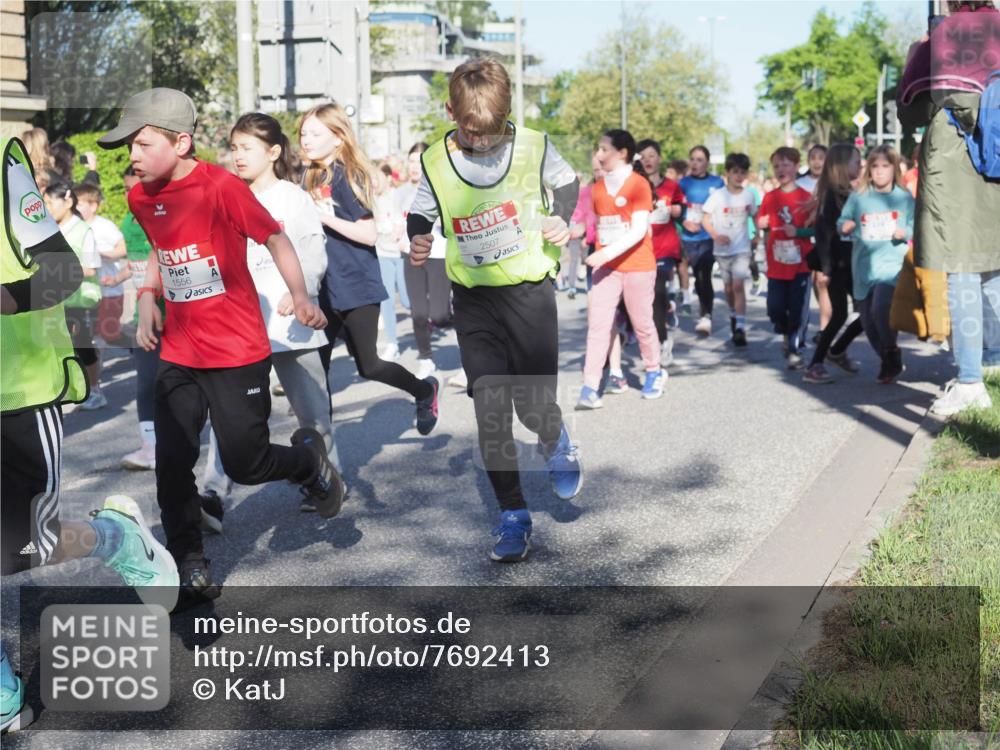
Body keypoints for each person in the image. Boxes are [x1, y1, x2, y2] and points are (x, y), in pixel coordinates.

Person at [98, 87, 342, 609]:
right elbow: (164, 251)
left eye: (142, 144)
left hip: (236, 351)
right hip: (181, 352)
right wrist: (146, 296)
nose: (133, 157)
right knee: (172, 461)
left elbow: (275, 238)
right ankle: (189, 563)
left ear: (181, 143)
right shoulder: (141, 197)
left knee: (246, 464)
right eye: (129, 148)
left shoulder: (222, 188)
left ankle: (306, 462)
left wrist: (300, 297)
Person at [1, 136, 177, 732]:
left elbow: (58, 274)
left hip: (15, 392)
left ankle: (118, 538)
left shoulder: (4, 162)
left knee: (25, 545)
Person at [407, 58, 582, 563]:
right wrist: (417, 234)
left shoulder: (533, 144)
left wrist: (560, 218)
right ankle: (513, 516)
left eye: (491, 131)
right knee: (490, 410)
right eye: (470, 131)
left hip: (528, 291)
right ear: (450, 112)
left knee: (531, 405)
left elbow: (568, 183)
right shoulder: (436, 159)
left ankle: (555, 437)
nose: (481, 141)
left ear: (508, 114)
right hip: (475, 297)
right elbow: (422, 207)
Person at [198, 112, 344, 527]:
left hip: (292, 322)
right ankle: (214, 493)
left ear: (273, 152)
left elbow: (313, 254)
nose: (238, 156)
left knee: (312, 413)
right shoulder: (224, 194)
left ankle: (327, 480)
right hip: (241, 327)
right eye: (234, 147)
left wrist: (297, 292)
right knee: (230, 415)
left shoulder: (292, 198)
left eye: (247, 148)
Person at [299, 104, 441, 430]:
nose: (306, 139)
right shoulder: (307, 176)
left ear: (337, 138)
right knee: (315, 372)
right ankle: (322, 456)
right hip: (320, 288)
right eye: (303, 133)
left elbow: (367, 233)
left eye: (315, 133)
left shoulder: (347, 176)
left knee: (369, 366)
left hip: (355, 285)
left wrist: (320, 215)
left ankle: (424, 389)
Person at [898, 0, 1000, 415]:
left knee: (962, 269)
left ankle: (972, 380)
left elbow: (913, 110)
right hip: (997, 157)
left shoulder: (942, 34)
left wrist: (913, 55)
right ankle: (993, 358)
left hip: (955, 158)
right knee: (994, 265)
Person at [578, 129, 665, 407]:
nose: (598, 155)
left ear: (623, 153)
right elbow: (589, 224)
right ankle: (590, 386)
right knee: (598, 326)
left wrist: (605, 255)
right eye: (598, 149)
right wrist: (566, 231)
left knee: (642, 324)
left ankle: (654, 371)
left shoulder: (638, 184)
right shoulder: (598, 189)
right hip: (607, 268)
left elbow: (639, 231)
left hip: (637, 265)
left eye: (604, 149)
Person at [837, 145, 915, 383]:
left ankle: (890, 350)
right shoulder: (859, 197)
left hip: (892, 265)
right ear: (868, 170)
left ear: (894, 169)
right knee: (868, 322)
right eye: (875, 166)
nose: (880, 171)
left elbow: (917, 225)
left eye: (885, 166)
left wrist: (906, 231)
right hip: (863, 266)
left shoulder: (903, 198)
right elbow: (843, 220)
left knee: (881, 307)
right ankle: (888, 357)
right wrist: (845, 225)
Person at [803, 144, 866, 384]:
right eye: (855, 162)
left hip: (851, 264)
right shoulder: (834, 194)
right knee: (857, 312)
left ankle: (835, 352)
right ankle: (817, 363)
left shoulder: (848, 192)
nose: (859, 166)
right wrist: (827, 270)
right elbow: (824, 234)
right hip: (838, 267)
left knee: (861, 312)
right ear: (841, 165)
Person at [42, 182, 105, 409]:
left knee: (81, 347)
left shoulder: (82, 229)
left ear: (68, 202)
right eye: (45, 202)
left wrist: (60, 268)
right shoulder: (49, 228)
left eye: (51, 202)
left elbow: (91, 268)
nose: (47, 207)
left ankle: (95, 390)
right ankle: (71, 387)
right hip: (56, 299)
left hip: (80, 299)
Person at [119, 165, 161, 470]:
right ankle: (150, 446)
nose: (130, 194)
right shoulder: (127, 219)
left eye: (136, 186)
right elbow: (132, 260)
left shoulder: (161, 213)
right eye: (125, 188)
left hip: (174, 310)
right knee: (145, 381)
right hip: (142, 312)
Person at [758, 147, 814, 369]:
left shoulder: (806, 198)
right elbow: (761, 220)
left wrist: (799, 232)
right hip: (776, 264)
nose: (781, 169)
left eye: (786, 165)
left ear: (796, 167)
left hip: (801, 264)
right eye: (777, 166)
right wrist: (761, 224)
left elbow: (817, 230)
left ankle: (794, 348)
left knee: (798, 308)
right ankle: (784, 332)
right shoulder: (770, 197)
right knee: (775, 307)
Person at [701, 153, 757, 347]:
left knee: (738, 285)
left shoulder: (749, 195)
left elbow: (755, 216)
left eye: (742, 172)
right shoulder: (718, 196)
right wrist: (716, 236)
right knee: (727, 288)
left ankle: (740, 327)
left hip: (742, 249)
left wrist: (756, 234)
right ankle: (734, 314)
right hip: (722, 250)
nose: (739, 176)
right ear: (727, 173)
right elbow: (705, 219)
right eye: (735, 172)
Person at [637, 138, 684, 365]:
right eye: (643, 156)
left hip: (665, 248)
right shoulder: (635, 184)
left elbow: (682, 210)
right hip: (639, 249)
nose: (647, 160)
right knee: (642, 300)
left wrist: (676, 209)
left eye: (651, 155)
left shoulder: (672, 186)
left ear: (660, 158)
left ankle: (662, 342)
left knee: (656, 291)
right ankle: (667, 310)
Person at [679, 146, 726, 335]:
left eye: (699, 160)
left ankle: (706, 316)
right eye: (693, 159)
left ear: (707, 162)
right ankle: (702, 310)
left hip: (708, 236)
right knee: (696, 276)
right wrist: (684, 221)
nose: (695, 163)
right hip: (688, 237)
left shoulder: (717, 182)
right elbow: (677, 207)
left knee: (704, 275)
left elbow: (723, 206)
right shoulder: (683, 183)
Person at [74, 182, 127, 347]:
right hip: (87, 291)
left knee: (109, 333)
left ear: (94, 206)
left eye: (80, 204)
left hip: (109, 290)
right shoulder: (75, 226)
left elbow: (123, 249)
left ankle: (137, 348)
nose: (75, 207)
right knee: (87, 334)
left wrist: (103, 254)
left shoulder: (104, 226)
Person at [374, 163, 409, 361]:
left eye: (377, 178)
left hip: (401, 253)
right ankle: (392, 343)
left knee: (406, 299)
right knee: (386, 299)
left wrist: (401, 228)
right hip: (383, 254)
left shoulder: (399, 195)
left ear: (388, 177)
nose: (374, 182)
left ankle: (426, 314)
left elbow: (407, 217)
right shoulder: (372, 199)